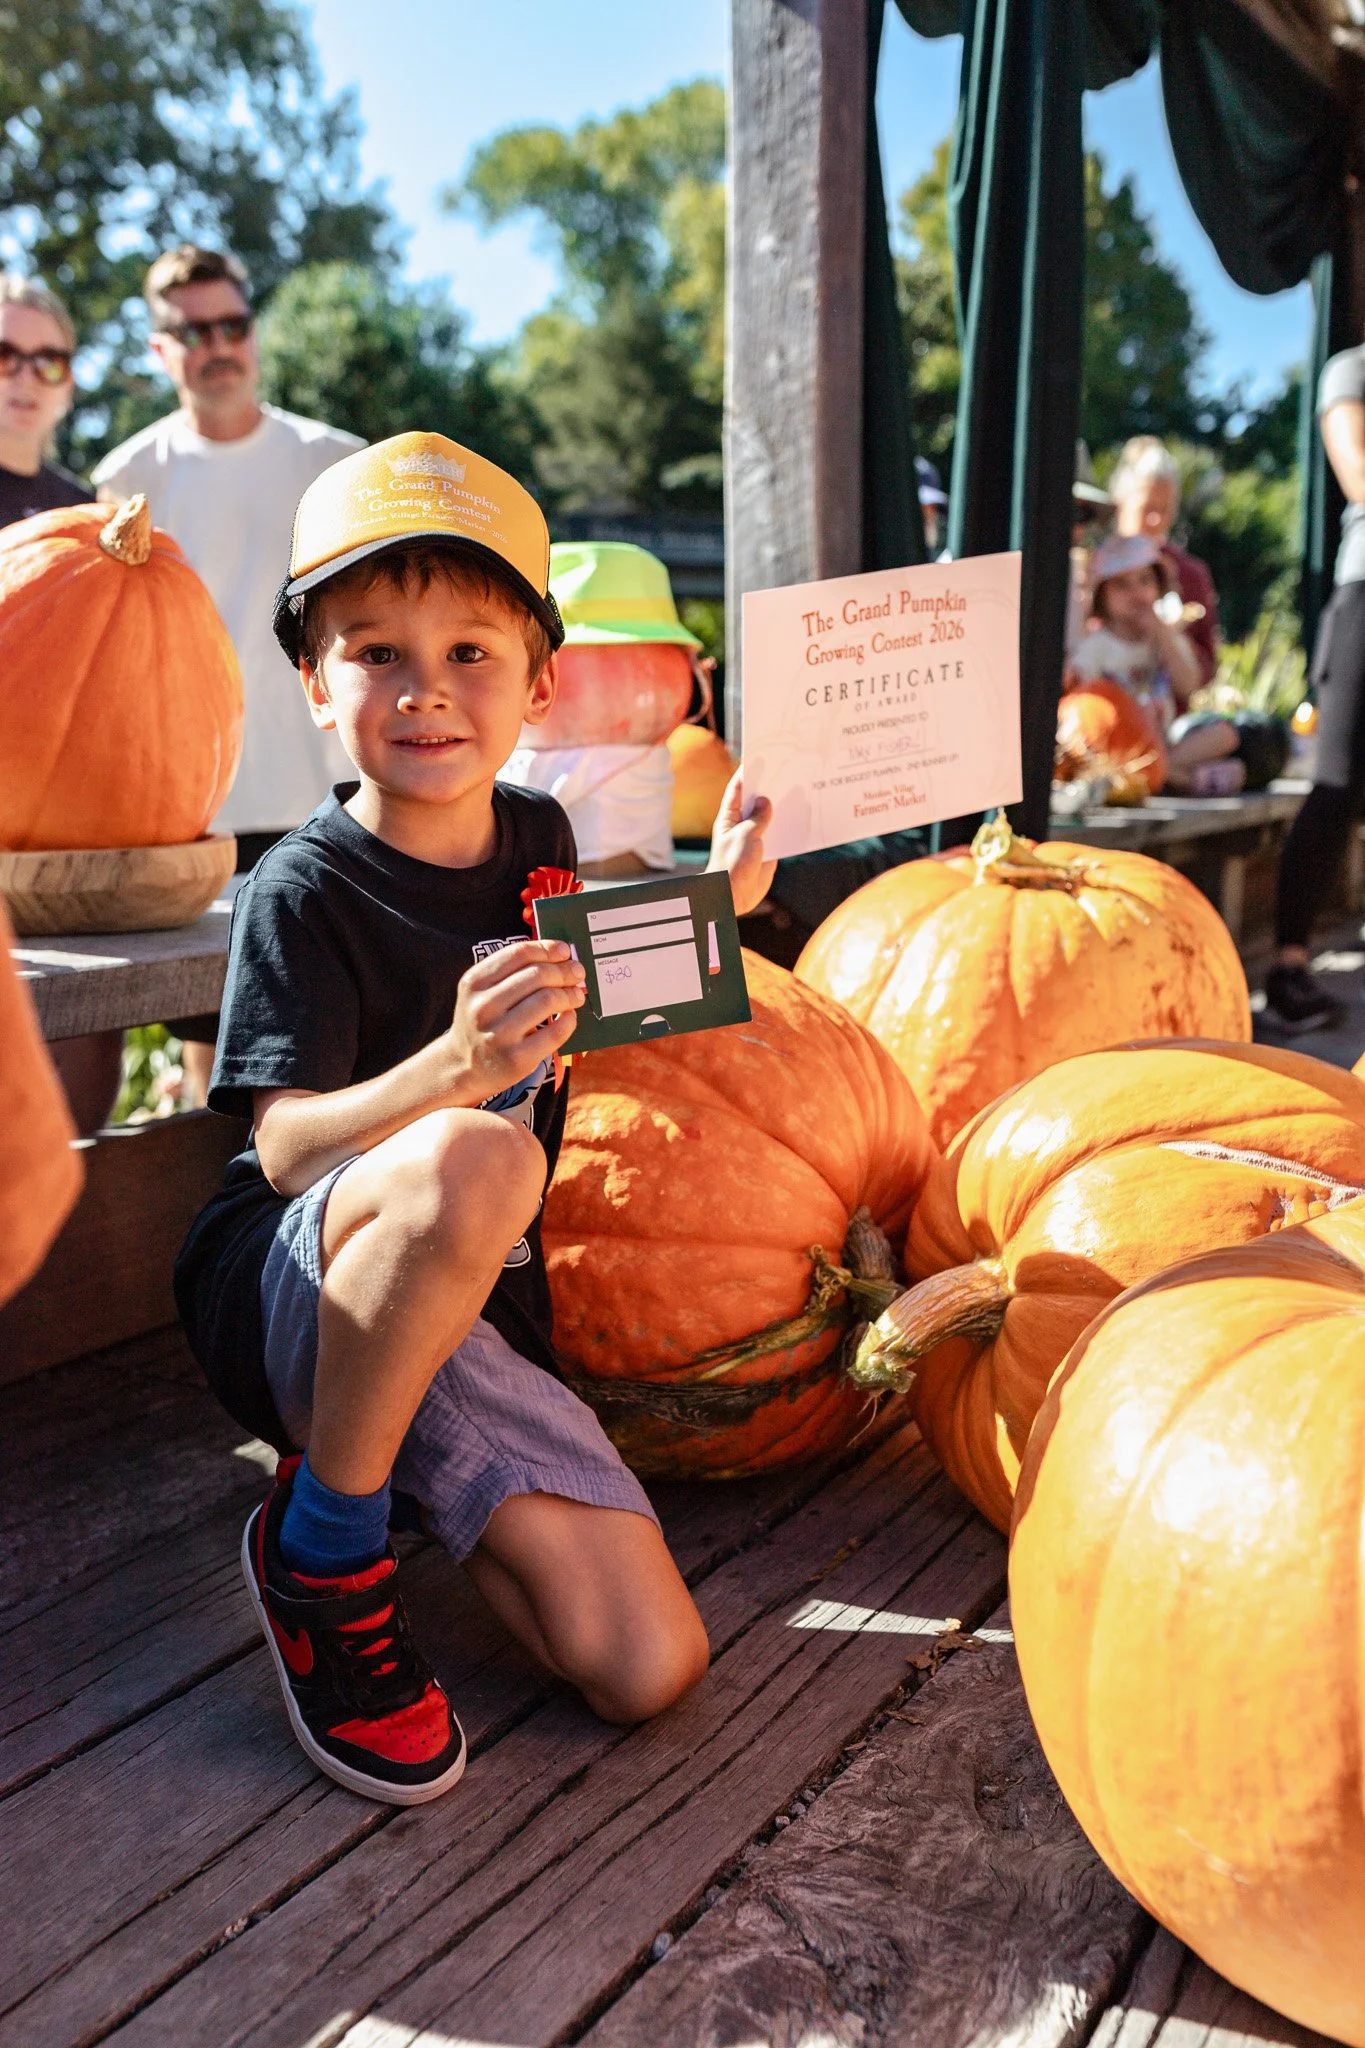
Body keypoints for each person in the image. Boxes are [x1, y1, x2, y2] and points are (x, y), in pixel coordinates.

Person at [173, 431, 774, 1805]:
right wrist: (449, 1070)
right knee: (473, 1154)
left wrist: (727, 891)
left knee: (643, 1664)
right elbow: (280, 1151)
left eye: (468, 655)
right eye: (376, 652)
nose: (425, 691)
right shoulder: (302, 890)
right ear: (317, 685)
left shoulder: (536, 846)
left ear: (536, 683)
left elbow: (603, 970)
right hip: (291, 1284)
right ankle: (326, 1553)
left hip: (465, 1314)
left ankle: (377, 1494)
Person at [93, 246, 363, 1098]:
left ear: (253, 331)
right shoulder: (128, 479)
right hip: (192, 816)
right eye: (191, 330)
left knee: (350, 1039)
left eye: (231, 324)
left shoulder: (338, 465)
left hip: (332, 797)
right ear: (158, 349)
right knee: (214, 1060)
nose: (217, 344)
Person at [1264, 343, 1365, 1032]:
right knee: (1336, 782)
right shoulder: (1351, 371)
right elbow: (1358, 473)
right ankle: (1288, 966)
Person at [1109, 436, 1221, 689]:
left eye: (1165, 509)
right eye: (1147, 508)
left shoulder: (1190, 574)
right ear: (1120, 503)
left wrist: (1169, 634)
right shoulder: (1096, 566)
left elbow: (1206, 671)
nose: (1156, 520)